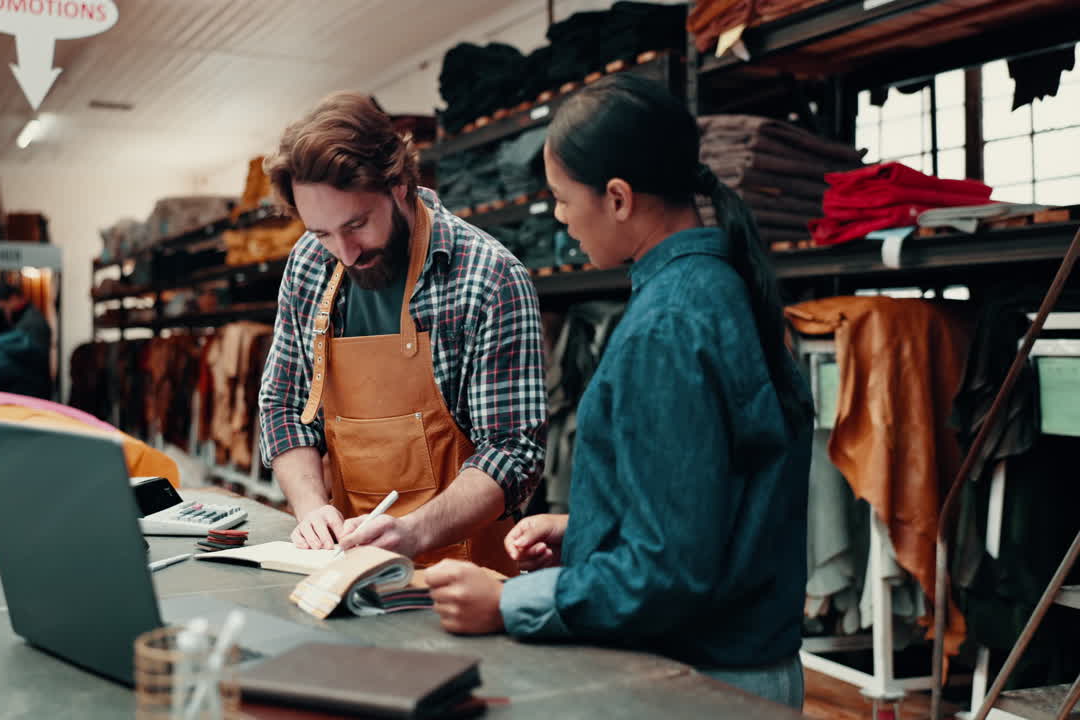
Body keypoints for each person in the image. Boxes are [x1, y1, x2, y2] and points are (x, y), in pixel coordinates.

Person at [423, 73, 815, 710]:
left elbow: (668, 574)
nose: (559, 216)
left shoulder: (666, 327)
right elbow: (715, 506)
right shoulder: (718, 289)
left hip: (702, 685)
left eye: (560, 197)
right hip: (745, 670)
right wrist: (590, 532)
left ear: (618, 197)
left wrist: (507, 602)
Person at [257, 92, 548, 574]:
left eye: (356, 224)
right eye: (323, 233)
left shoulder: (490, 278)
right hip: (347, 566)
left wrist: (412, 533)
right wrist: (312, 510)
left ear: (398, 185)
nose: (344, 253)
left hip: (467, 573)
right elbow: (284, 406)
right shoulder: (310, 264)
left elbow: (513, 450)